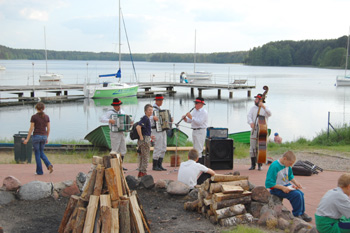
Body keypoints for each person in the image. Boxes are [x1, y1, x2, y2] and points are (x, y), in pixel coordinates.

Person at [265, 151, 312, 222]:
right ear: (285, 159)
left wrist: (296, 183)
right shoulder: (274, 166)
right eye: (290, 163)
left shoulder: (287, 165)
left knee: (301, 194)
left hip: (286, 185)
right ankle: (296, 214)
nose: (291, 165)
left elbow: (290, 176)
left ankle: (302, 213)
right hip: (277, 188)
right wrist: (283, 188)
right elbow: (269, 183)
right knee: (296, 195)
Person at [23, 102, 53, 175]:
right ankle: (48, 164)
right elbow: (48, 128)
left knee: (37, 153)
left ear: (36, 108)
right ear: (43, 108)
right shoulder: (47, 117)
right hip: (44, 136)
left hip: (36, 136)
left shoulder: (34, 117)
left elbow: (31, 129)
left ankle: (39, 171)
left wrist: (27, 139)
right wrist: (46, 137)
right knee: (41, 152)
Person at [100, 98, 130, 170]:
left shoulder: (122, 111)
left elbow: (125, 119)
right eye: (117, 105)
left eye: (119, 105)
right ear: (114, 106)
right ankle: (113, 166)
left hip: (121, 132)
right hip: (114, 133)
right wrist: (109, 120)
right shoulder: (110, 113)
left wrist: (129, 122)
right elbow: (101, 119)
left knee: (123, 149)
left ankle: (120, 165)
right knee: (115, 149)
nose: (119, 106)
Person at [247, 93, 272, 170]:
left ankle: (260, 165)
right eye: (255, 99)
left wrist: (263, 106)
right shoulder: (253, 108)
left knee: (261, 148)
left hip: (262, 129)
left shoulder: (265, 108)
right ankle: (253, 164)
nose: (255, 100)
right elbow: (249, 116)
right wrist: (251, 122)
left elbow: (270, 113)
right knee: (253, 147)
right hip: (254, 129)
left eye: (257, 99)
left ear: (261, 100)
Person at [182, 97, 208, 164]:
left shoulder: (204, 112)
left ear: (201, 104)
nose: (195, 105)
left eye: (196, 103)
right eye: (195, 103)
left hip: (200, 131)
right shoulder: (194, 111)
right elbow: (191, 121)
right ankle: (195, 164)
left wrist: (191, 117)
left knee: (199, 149)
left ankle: (200, 164)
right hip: (195, 130)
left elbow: (199, 122)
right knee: (195, 148)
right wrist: (186, 119)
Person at [150, 94, 172, 171]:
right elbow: (146, 117)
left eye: (162, 100)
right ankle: (155, 165)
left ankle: (160, 164)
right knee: (158, 147)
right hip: (156, 130)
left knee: (163, 147)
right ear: (156, 101)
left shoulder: (159, 109)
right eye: (160, 100)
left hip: (162, 130)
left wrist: (169, 120)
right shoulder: (152, 109)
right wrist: (153, 117)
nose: (161, 102)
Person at [136, 104, 153, 178]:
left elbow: (144, 129)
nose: (151, 112)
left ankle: (141, 172)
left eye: (151, 110)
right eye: (149, 110)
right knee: (145, 156)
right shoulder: (145, 118)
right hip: (145, 140)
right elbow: (138, 127)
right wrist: (141, 137)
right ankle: (143, 172)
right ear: (145, 111)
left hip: (146, 137)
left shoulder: (146, 118)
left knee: (142, 156)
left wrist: (149, 135)